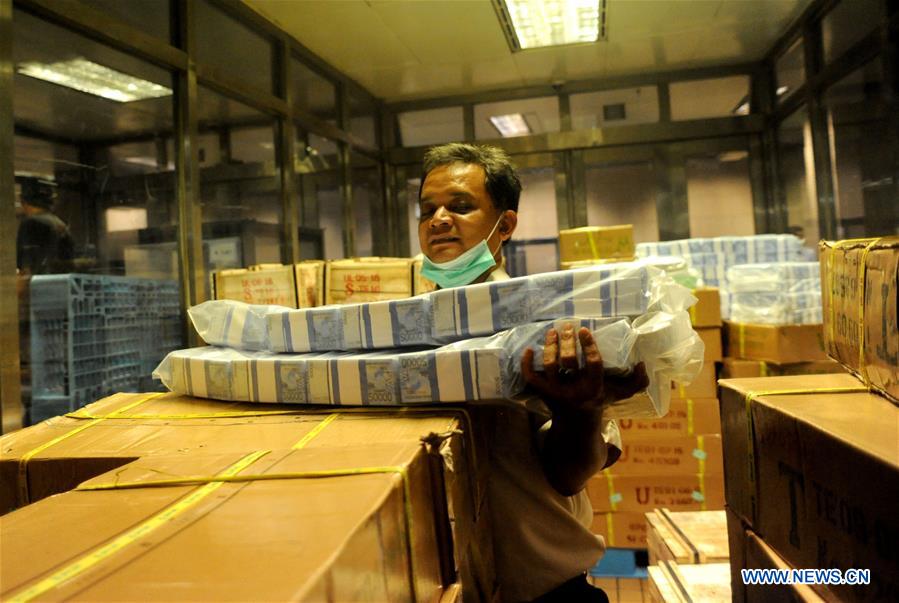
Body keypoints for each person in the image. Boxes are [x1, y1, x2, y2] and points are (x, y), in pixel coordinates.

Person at [418, 143, 648, 602]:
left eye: (461, 206)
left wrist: (581, 410)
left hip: (544, 594)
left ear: (504, 225)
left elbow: (570, 474)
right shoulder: (393, 341)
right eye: (428, 210)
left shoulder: (548, 327)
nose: (439, 219)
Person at [16, 176, 74, 275]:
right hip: (60, 284)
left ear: (23, 201)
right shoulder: (60, 224)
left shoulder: (31, 223)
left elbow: (27, 268)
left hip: (39, 286)